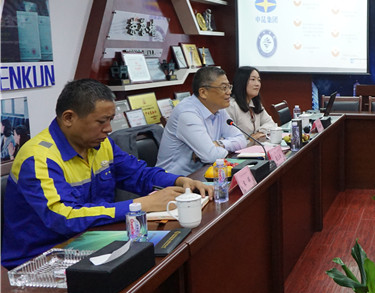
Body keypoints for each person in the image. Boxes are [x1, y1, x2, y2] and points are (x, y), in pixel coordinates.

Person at [2, 79, 210, 268]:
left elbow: (138, 174)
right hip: (40, 260)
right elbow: (65, 218)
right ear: (68, 118)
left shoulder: (101, 144)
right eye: (101, 122)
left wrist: (180, 181)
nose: (109, 129)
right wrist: (141, 205)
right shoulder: (38, 158)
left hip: (93, 244)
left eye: (110, 120)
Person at [156, 66, 246, 175]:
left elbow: (242, 140)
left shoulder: (219, 109)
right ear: (203, 92)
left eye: (229, 87)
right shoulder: (187, 113)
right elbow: (211, 156)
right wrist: (218, 148)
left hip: (203, 174)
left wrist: (219, 144)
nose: (229, 92)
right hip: (174, 179)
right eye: (224, 88)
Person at [226, 66, 278, 143]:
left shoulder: (255, 103)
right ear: (242, 81)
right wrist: (250, 140)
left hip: (256, 147)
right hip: (240, 149)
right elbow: (229, 139)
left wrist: (259, 132)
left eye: (259, 80)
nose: (257, 84)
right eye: (253, 79)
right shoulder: (231, 106)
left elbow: (270, 123)